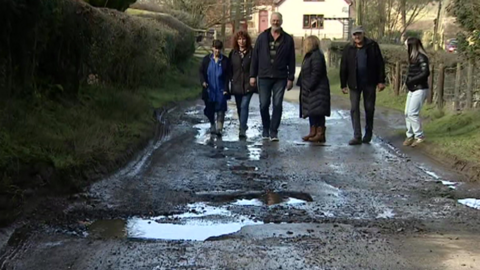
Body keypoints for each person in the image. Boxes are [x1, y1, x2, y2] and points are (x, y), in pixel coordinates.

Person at [250, 12, 296, 141]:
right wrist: (252, 75)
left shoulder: (287, 39)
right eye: (274, 20)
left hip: (280, 77)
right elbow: (255, 57)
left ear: (281, 21)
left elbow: (291, 59)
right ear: (270, 21)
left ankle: (274, 131)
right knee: (264, 104)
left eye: (278, 20)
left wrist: (291, 78)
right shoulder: (262, 37)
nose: (275, 22)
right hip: (264, 76)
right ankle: (265, 128)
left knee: (277, 104)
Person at [340, 26, 386, 145]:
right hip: (354, 83)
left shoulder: (372, 46)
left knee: (369, 108)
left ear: (363, 34)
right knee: (354, 108)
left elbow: (380, 63)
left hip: (369, 82)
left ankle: (368, 133)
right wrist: (343, 84)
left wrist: (381, 81)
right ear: (352, 36)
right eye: (355, 35)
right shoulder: (348, 48)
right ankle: (357, 136)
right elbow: (344, 66)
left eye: (359, 34)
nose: (357, 37)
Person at [297, 35, 331, 143]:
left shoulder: (316, 55)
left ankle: (320, 133)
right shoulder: (310, 56)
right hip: (310, 89)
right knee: (312, 111)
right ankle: (313, 131)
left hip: (317, 89)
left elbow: (317, 72)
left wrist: (310, 85)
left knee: (318, 111)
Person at [199, 40, 230, 136]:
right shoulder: (206, 60)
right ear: (212, 48)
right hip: (209, 89)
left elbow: (227, 76)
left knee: (221, 108)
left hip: (220, 89)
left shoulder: (225, 60)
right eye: (216, 48)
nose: (217, 51)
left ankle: (219, 128)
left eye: (219, 49)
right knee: (210, 109)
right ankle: (212, 124)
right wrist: (203, 81)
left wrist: (226, 88)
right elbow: (201, 72)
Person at [229, 30, 256, 138]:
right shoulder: (233, 53)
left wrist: (253, 77)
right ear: (236, 40)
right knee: (239, 107)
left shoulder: (252, 52)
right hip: (236, 84)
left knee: (244, 105)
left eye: (243, 39)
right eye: (239, 39)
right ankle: (243, 124)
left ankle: (242, 128)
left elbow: (255, 66)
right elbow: (229, 68)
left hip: (248, 84)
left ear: (247, 40)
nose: (241, 41)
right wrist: (231, 79)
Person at [403, 37, 430, 147]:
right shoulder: (413, 58)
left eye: (406, 45)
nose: (405, 47)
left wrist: (411, 81)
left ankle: (419, 136)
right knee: (407, 113)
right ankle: (410, 135)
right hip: (413, 88)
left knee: (412, 113)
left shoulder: (422, 57)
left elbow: (425, 73)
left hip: (420, 88)